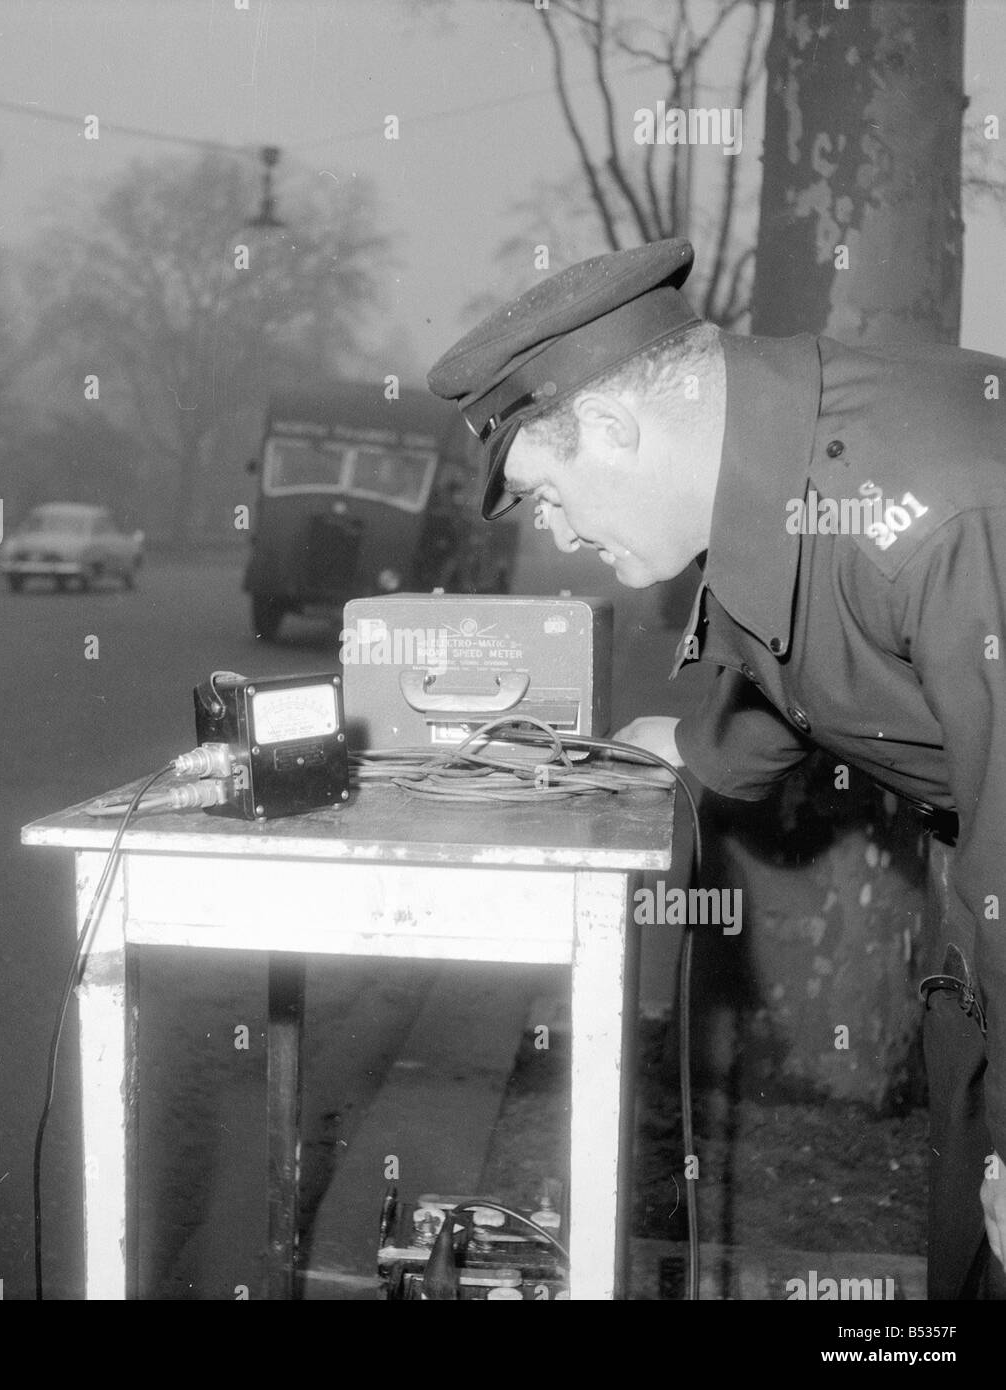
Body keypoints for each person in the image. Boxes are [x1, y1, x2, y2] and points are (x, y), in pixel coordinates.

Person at [426, 237, 1006, 1300]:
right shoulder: (784, 454)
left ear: (610, 426)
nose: (554, 533)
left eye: (544, 494)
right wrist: (689, 753)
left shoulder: (940, 518)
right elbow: (800, 625)